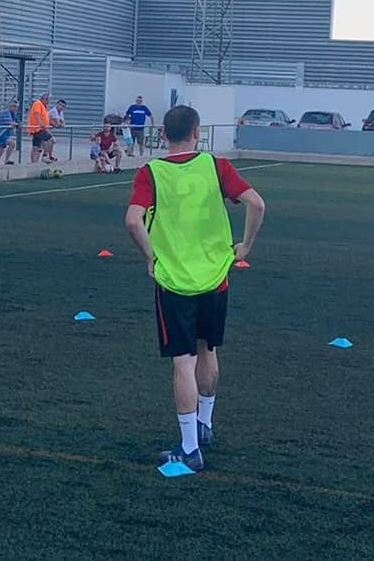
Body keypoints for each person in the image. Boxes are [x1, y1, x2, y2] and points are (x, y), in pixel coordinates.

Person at [124, 105, 266, 471]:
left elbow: (132, 221)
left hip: (175, 281)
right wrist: (245, 246)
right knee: (208, 350)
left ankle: (190, 448)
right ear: (197, 132)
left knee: (182, 361)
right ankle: (204, 424)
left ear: (162, 135)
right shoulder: (215, 166)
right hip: (214, 276)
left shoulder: (150, 172)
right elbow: (256, 203)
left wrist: (150, 256)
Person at [28, 93, 55, 164]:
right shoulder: (38, 103)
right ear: (45, 99)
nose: (49, 102)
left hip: (39, 129)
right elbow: (37, 114)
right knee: (51, 140)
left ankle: (33, 163)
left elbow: (45, 117)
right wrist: (41, 124)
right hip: (38, 129)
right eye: (48, 100)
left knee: (36, 147)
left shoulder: (43, 106)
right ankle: (44, 156)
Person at [0, 101, 19, 166]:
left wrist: (19, 124)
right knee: (12, 144)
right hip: (0, 134)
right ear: (10, 106)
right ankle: (6, 160)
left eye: (16, 107)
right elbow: (11, 122)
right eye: (14, 106)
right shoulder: (5, 112)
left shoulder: (14, 114)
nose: (15, 108)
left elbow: (18, 122)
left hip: (7, 134)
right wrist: (17, 124)